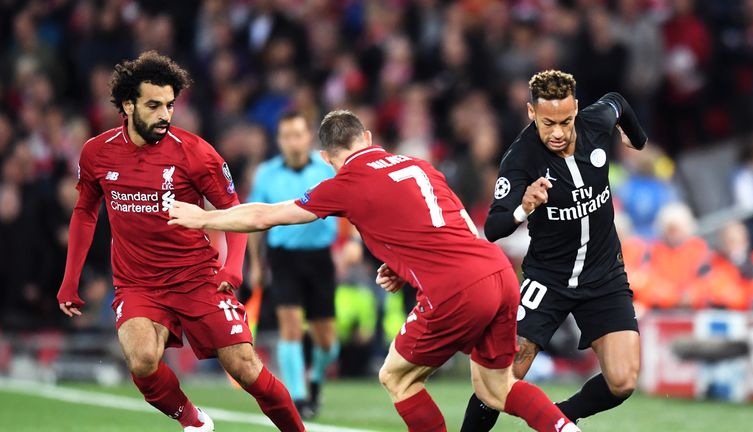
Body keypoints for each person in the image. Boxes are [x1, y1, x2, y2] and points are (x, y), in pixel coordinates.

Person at [168, 109, 581, 432]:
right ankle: (562, 426)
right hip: (498, 272)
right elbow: (447, 223)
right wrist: (405, 266)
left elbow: (267, 215)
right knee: (496, 388)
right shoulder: (419, 164)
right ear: (367, 138)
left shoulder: (344, 181)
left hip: (456, 288)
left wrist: (204, 219)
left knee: (396, 376)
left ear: (328, 158)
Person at [56, 51, 304, 432]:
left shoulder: (197, 154)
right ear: (128, 104)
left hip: (197, 278)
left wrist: (232, 268)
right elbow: (86, 212)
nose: (165, 115)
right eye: (154, 105)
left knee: (245, 366)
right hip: (138, 283)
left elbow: (232, 210)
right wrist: (70, 279)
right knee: (141, 360)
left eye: (170, 105)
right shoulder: (97, 152)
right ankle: (195, 422)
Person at [461, 70, 647, 431]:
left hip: (605, 275)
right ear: (532, 113)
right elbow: (494, 226)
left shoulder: (596, 122)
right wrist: (523, 207)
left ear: (576, 108)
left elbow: (618, 101)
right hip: (548, 278)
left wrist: (637, 139)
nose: (558, 132)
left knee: (623, 381)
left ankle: (558, 418)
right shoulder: (520, 158)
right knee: (503, 373)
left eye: (565, 120)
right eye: (548, 123)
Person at [247, 110, 339, 418]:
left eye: (298, 135)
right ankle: (299, 400)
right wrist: (256, 264)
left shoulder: (327, 169)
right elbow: (255, 219)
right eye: (286, 136)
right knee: (290, 328)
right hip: (282, 257)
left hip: (319, 258)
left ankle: (315, 381)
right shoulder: (267, 174)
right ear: (279, 140)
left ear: (308, 136)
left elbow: (350, 206)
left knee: (328, 343)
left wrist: (352, 243)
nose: (293, 142)